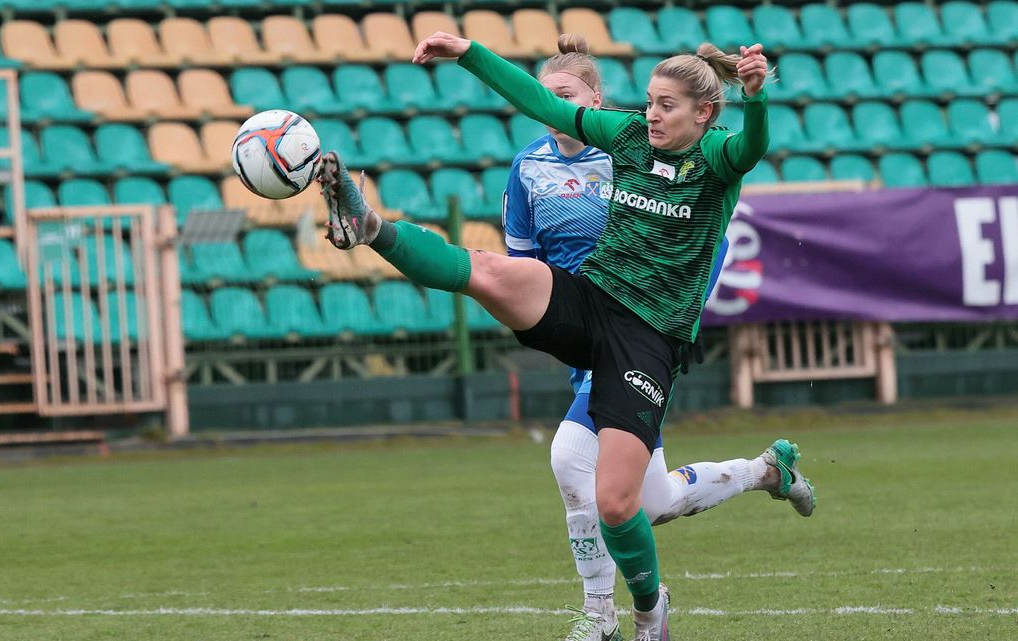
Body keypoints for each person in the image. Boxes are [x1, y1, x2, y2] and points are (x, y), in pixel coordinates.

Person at [318, 31, 780, 641]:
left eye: (666, 105)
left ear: (704, 112)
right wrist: (469, 53)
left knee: (622, 505)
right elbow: (544, 105)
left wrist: (756, 97)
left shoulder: (719, 157)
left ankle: (648, 613)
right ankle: (370, 226)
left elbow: (753, 146)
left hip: (649, 339)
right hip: (592, 298)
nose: (652, 114)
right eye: (648, 101)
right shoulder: (626, 136)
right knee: (487, 271)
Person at [502, 35, 815, 641]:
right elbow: (524, 259)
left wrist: (674, 305)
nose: (552, 105)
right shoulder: (530, 167)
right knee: (647, 505)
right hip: (583, 321)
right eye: (546, 97)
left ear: (597, 100)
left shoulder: (629, 148)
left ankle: (602, 617)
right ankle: (764, 472)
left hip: (640, 333)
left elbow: (710, 217)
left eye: (563, 96)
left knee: (571, 459)